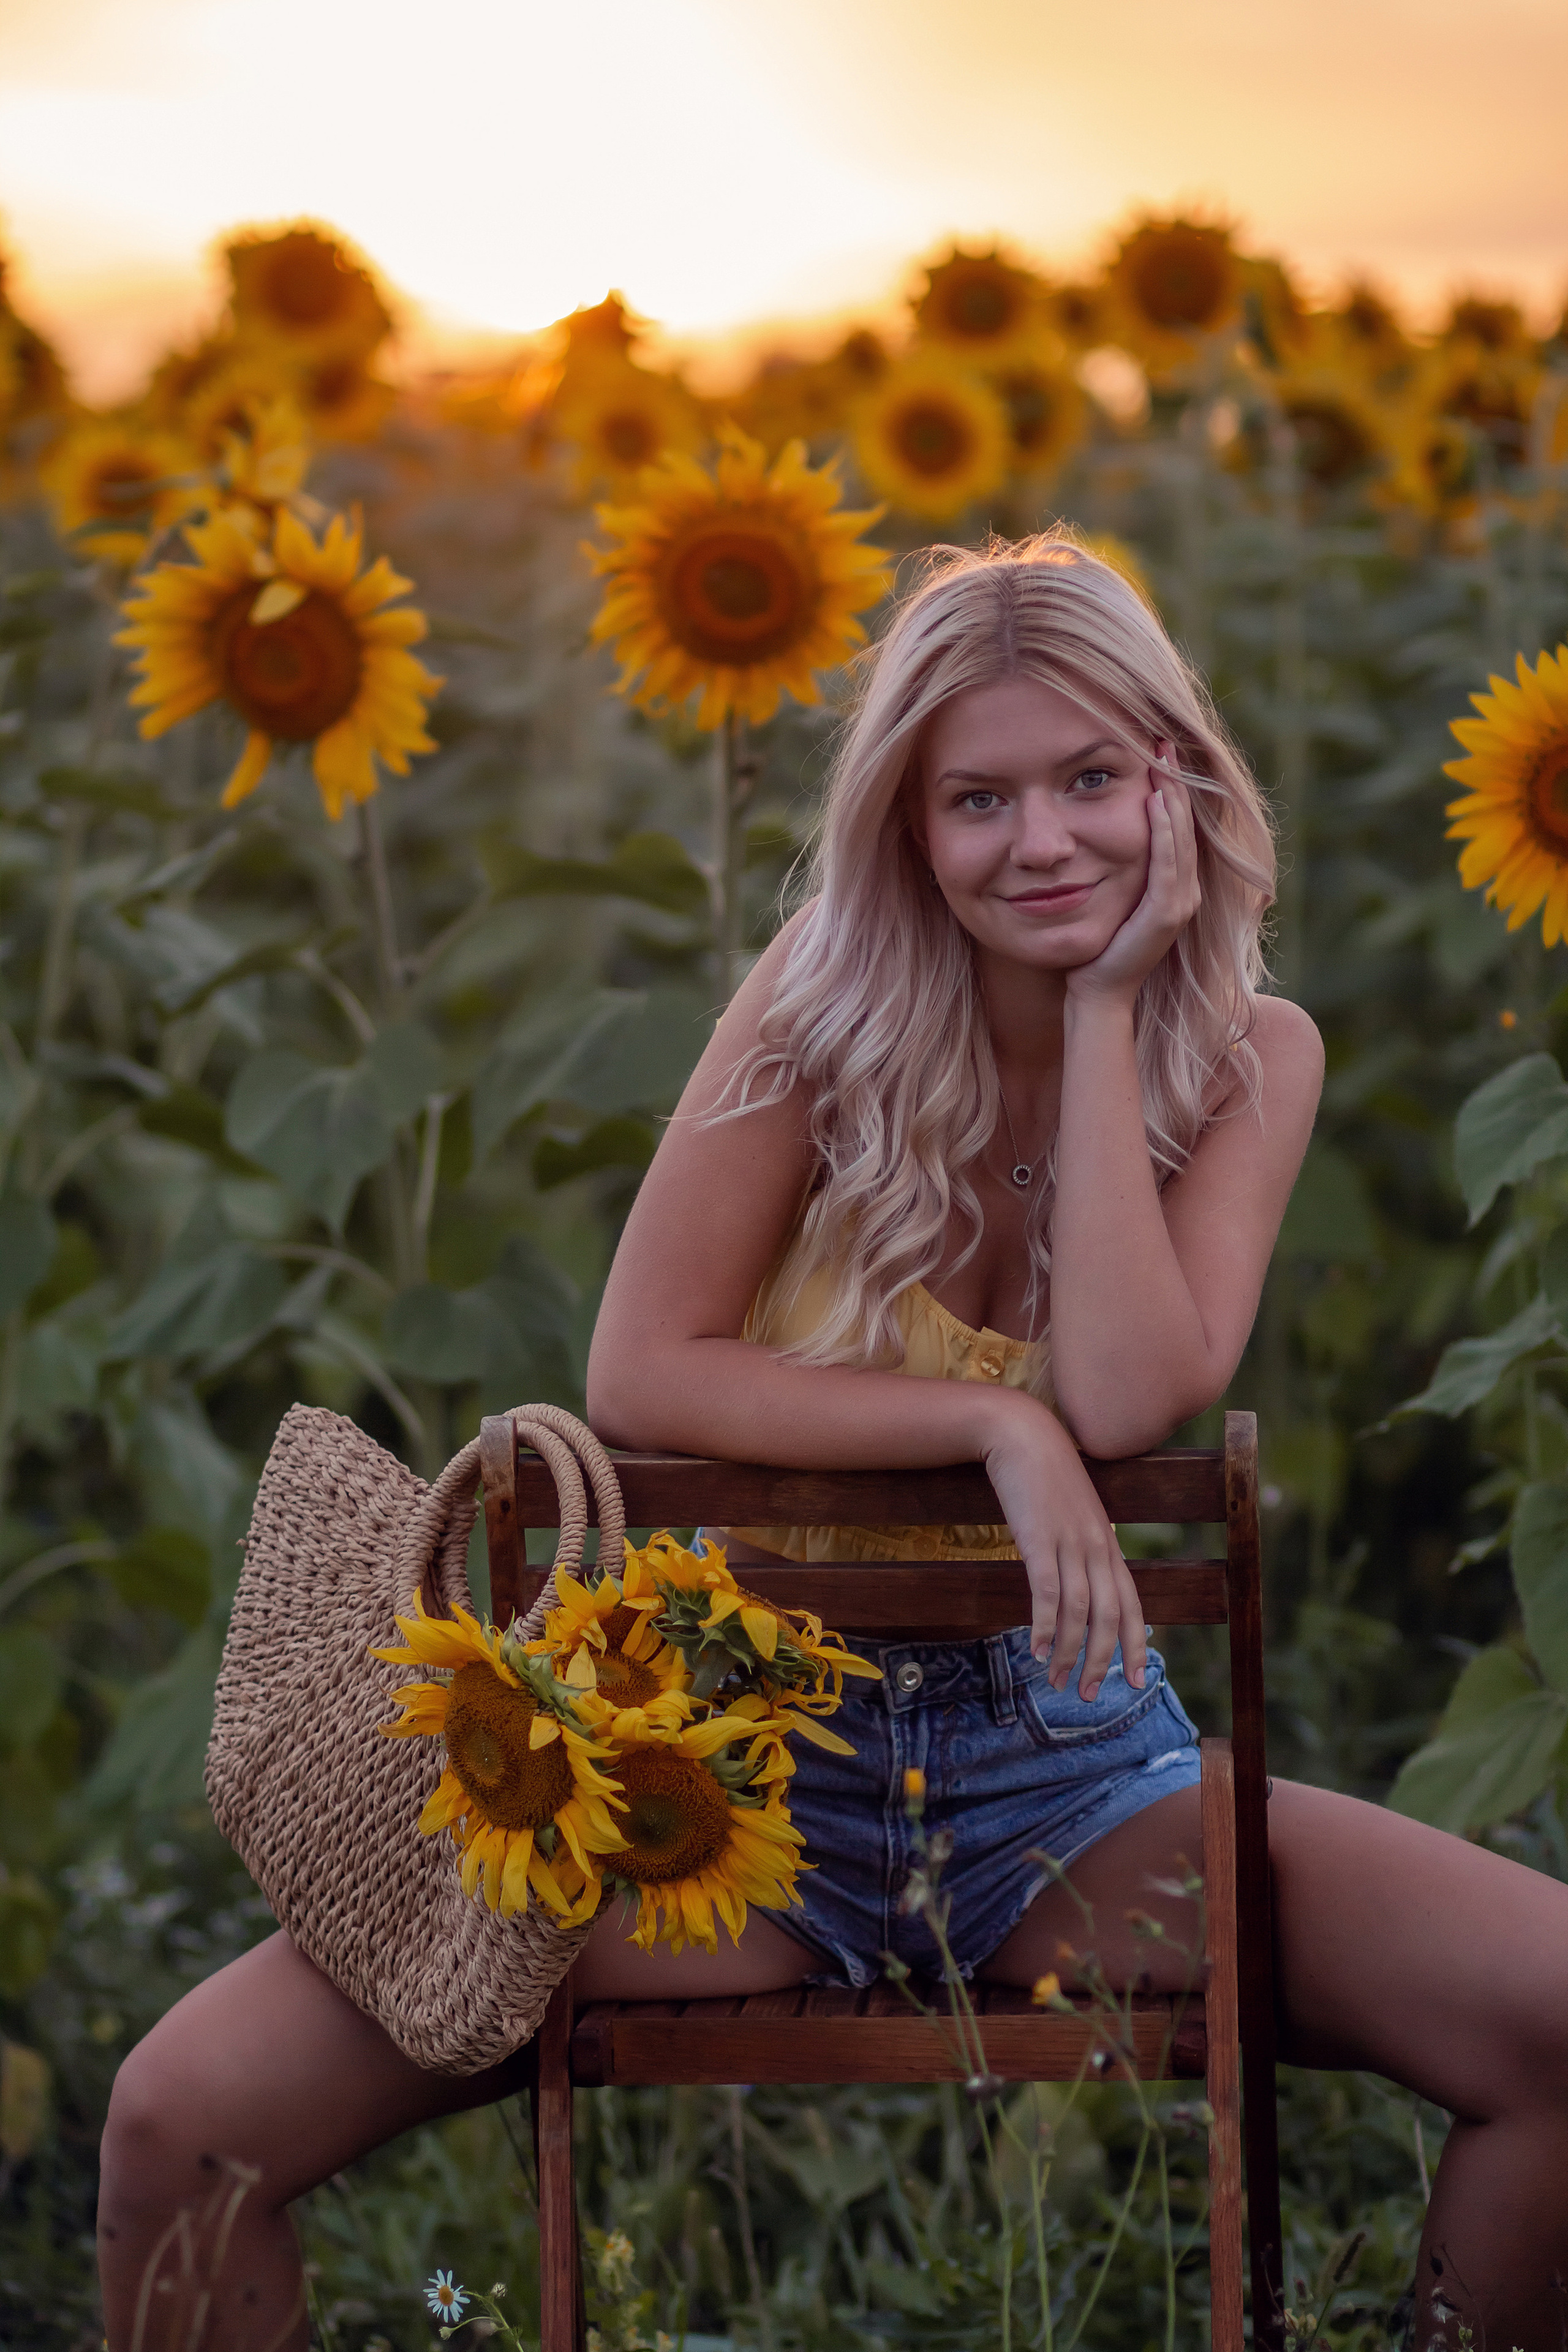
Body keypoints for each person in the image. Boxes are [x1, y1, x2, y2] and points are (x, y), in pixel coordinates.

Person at [99, 538, 1568, 2350]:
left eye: (1093, 780)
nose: (1044, 844)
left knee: (1557, 2026)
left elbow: (1122, 1397)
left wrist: (1107, 1016)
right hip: (717, 1778)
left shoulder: (1250, 1056)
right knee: (179, 2123)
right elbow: (641, 1363)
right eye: (980, 799)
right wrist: (981, 1428)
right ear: (909, 824)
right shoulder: (828, 1001)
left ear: (1178, 783)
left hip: (1071, 1787)